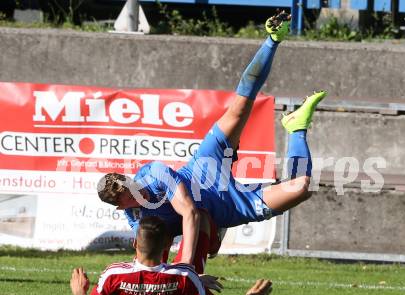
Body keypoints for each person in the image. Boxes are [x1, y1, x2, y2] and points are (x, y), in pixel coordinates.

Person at [97, 11, 327, 267]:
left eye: (130, 184)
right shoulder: (137, 217)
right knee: (302, 187)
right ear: (121, 206)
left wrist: (184, 268)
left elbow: (189, 212)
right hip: (230, 205)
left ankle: (272, 39)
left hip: (205, 166)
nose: (135, 190)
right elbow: (152, 253)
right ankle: (297, 128)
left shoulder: (153, 173)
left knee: (239, 108)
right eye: (128, 195)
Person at [70, 216, 272, 295]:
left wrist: (80, 293)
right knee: (200, 216)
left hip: (177, 276)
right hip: (183, 277)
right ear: (168, 245)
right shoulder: (185, 276)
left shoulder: (113, 274)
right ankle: (213, 238)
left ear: (134, 244)